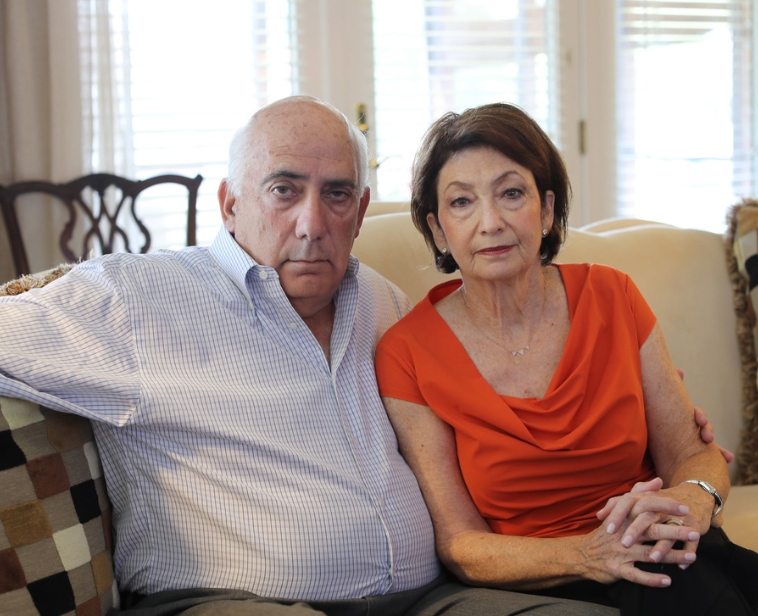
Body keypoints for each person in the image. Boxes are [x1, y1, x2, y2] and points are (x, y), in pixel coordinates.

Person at [0, 96, 627, 615]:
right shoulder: (136, 299)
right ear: (230, 204)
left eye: (337, 194)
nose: (312, 222)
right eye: (284, 189)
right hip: (234, 601)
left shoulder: (385, 303)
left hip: (428, 598)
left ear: (360, 211)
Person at [374, 102, 758, 616]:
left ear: (547, 209)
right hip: (543, 575)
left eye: (511, 193)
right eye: (461, 202)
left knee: (684, 573)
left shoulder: (613, 295)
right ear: (438, 229)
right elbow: (460, 544)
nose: (490, 222)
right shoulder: (407, 352)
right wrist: (592, 553)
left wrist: (694, 497)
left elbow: (693, 453)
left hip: (658, 547)